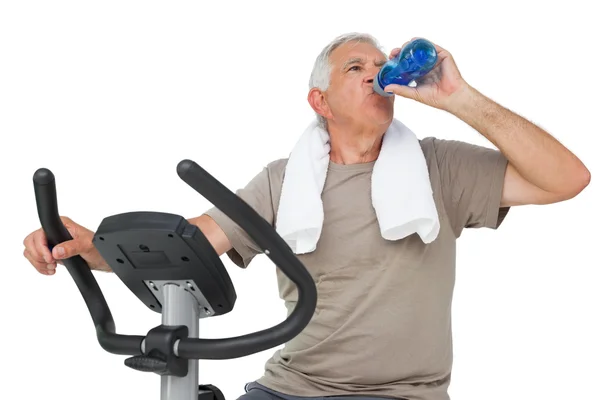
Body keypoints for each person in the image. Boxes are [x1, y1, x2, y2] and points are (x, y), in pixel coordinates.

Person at [22, 33, 590, 400]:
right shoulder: (283, 180)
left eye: (381, 62)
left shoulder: (437, 166)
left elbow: (568, 179)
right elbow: (189, 246)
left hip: (406, 395)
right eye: (355, 66)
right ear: (320, 102)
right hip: (292, 389)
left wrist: (459, 96)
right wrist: (90, 246)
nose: (376, 70)